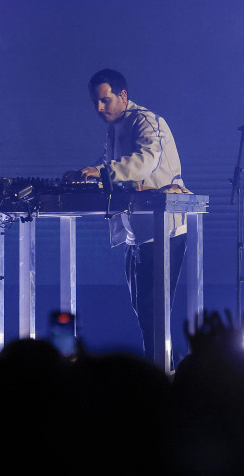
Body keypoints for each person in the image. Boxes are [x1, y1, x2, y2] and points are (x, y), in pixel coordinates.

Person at [66, 69, 188, 360]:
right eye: (95, 101)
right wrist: (88, 172)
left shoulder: (146, 121)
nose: (99, 108)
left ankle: (160, 374)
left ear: (123, 96)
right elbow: (109, 163)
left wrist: (104, 171)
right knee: (144, 310)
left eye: (105, 100)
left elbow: (146, 160)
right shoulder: (116, 126)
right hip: (138, 232)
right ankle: (157, 369)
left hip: (163, 230)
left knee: (153, 309)